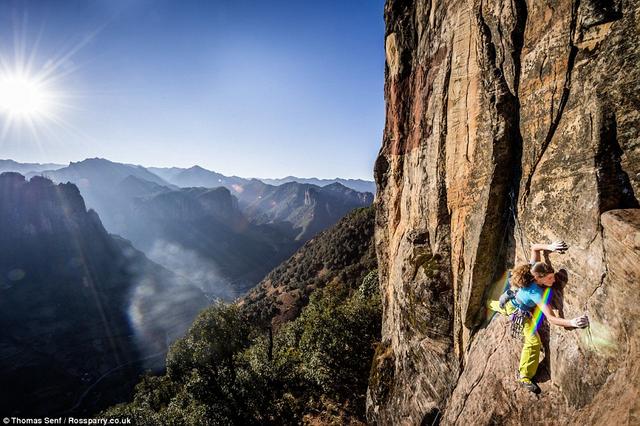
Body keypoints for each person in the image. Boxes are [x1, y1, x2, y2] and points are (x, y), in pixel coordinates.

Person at [488, 241, 589, 393]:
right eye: (549, 279)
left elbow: (534, 247)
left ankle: (489, 304)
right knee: (534, 342)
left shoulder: (532, 269)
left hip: (512, 301)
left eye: (552, 276)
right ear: (538, 279)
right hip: (519, 312)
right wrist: (572, 322)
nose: (554, 280)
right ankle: (524, 377)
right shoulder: (536, 293)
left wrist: (551, 247)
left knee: (500, 306)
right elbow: (551, 318)